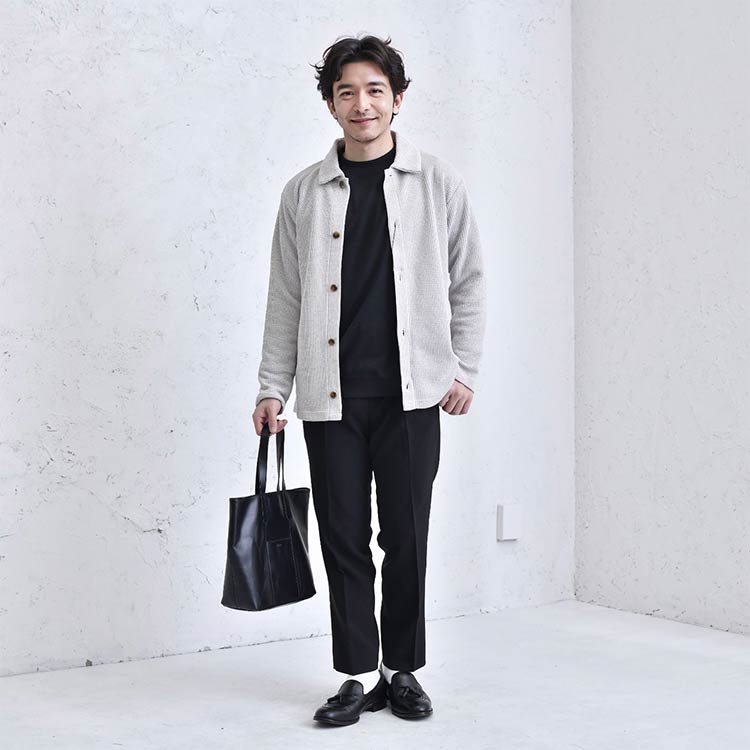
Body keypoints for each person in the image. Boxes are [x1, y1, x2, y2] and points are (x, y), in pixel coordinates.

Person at [251, 33, 486, 727]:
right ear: (331, 104)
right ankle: (356, 674)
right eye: (347, 92)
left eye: (375, 90)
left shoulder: (435, 182)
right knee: (343, 538)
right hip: (331, 397)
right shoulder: (304, 192)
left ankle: (401, 669)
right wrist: (272, 386)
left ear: (397, 99)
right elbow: (285, 296)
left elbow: (470, 280)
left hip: (414, 396)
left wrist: (464, 368)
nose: (362, 104)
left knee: (406, 538)